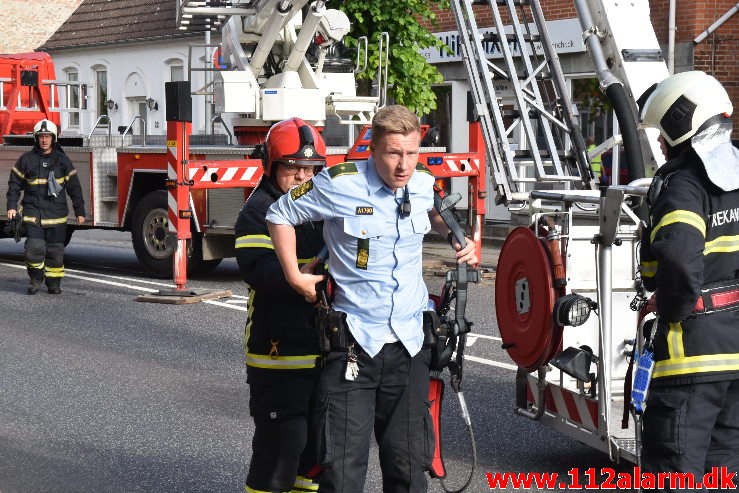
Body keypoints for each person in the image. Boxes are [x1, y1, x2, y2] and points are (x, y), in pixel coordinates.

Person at [266, 105, 477, 493]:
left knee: (410, 470)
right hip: (354, 349)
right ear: (373, 151)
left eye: (411, 153)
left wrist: (458, 240)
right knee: (342, 473)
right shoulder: (338, 183)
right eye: (393, 153)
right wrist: (295, 276)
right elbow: (280, 214)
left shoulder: (422, 182)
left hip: (411, 347)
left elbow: (435, 214)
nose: (403, 165)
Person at [638, 71, 739, 489]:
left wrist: (669, 306)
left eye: (664, 133)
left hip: (690, 365)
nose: (661, 143)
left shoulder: (685, 186)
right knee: (723, 476)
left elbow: (679, 258)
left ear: (683, 125)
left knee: (672, 473)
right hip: (735, 360)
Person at [234, 117, 326, 493]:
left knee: (314, 455)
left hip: (322, 350)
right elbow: (259, 271)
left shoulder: (322, 205)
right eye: (292, 167)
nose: (302, 175)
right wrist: (298, 276)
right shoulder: (257, 213)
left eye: (310, 168)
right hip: (278, 351)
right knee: (279, 450)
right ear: (272, 166)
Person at [6, 119, 85, 295]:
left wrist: (80, 211)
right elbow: (14, 185)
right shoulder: (26, 160)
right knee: (34, 249)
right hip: (33, 213)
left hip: (57, 215)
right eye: (41, 136)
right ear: (36, 138)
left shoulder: (63, 161)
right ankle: (35, 278)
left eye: (47, 136)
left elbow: (75, 188)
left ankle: (54, 283)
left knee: (55, 252)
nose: (44, 140)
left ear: (53, 138)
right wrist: (11, 206)